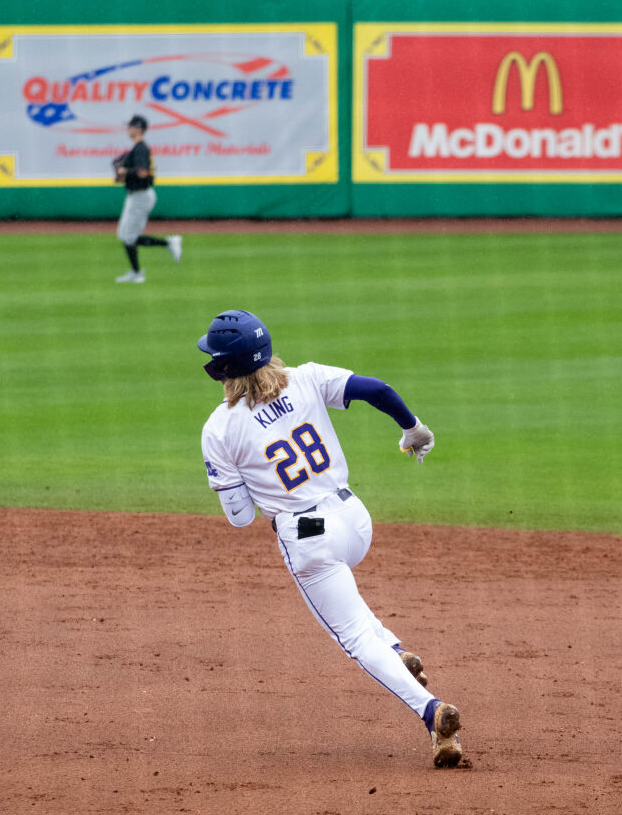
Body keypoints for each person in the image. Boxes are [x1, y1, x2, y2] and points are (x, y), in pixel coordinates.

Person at [195, 309, 467, 769]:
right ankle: (397, 650)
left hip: (310, 541)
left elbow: (240, 517)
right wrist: (413, 429)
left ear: (221, 368)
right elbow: (377, 390)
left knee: (355, 637)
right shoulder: (307, 378)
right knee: (356, 613)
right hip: (355, 521)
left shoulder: (218, 429)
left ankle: (430, 711)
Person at [112, 115, 181, 284]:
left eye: (130, 126)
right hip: (135, 195)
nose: (128, 129)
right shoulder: (136, 148)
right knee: (124, 235)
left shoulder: (141, 148)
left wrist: (124, 172)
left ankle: (168, 244)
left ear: (139, 128)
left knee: (128, 236)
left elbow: (143, 172)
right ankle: (137, 271)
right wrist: (122, 175)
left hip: (141, 196)